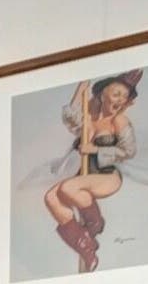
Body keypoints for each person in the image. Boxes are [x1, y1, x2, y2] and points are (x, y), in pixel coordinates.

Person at [42, 72, 140, 271]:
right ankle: (87, 246)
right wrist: (81, 86)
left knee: (68, 188)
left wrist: (95, 149)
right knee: (51, 197)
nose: (120, 100)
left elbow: (128, 151)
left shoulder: (119, 121)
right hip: (84, 177)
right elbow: (70, 116)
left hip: (107, 176)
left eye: (124, 96)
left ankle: (95, 223)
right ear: (103, 94)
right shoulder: (89, 119)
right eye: (116, 94)